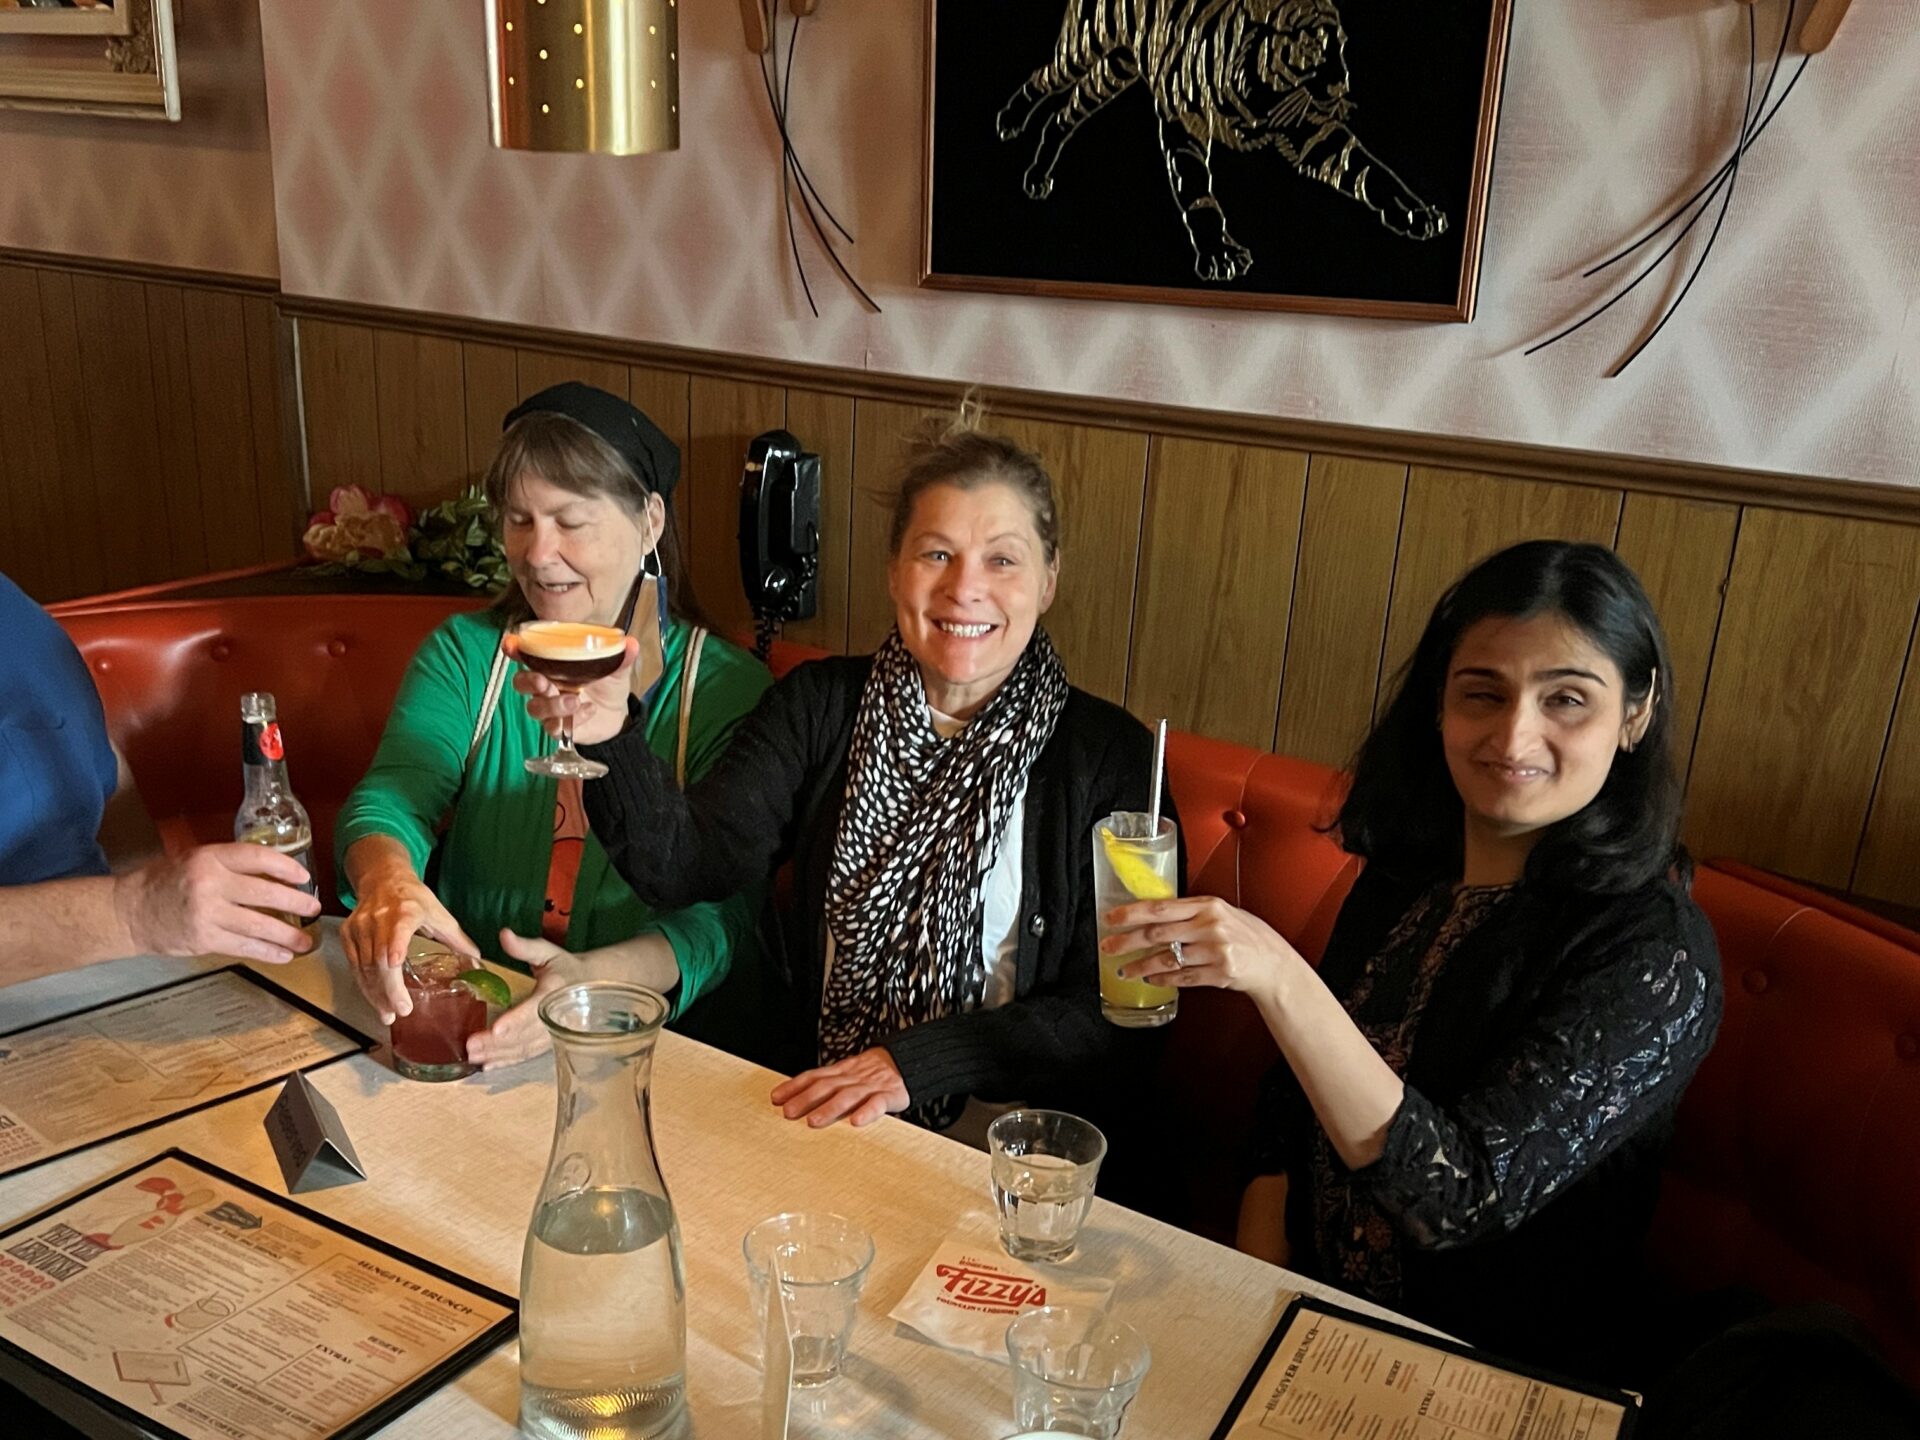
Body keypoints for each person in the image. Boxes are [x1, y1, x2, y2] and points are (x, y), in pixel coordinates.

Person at [1104, 540, 1722, 1377]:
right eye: (1483, 693)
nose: (1515, 734)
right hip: (1304, 1325)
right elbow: (1292, 1101)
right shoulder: (1409, 875)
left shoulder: (1654, 952)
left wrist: (1278, 974)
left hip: (1491, 1376)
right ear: (1439, 705)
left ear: (1635, 715)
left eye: (1567, 700)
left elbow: (1461, 1197)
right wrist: (1253, 1289)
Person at [516, 408, 1179, 1136]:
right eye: (936, 554)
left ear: (1048, 580)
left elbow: (1123, 1010)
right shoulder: (820, 706)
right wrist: (611, 734)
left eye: (1003, 559)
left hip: (1028, 1158)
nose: (966, 588)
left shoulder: (1114, 760)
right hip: (824, 1118)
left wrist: (914, 1064)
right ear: (895, 571)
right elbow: (686, 866)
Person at [337, 383, 771, 1066]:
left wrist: (594, 985)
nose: (538, 554)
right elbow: (395, 794)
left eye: (570, 522)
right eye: (519, 520)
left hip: (655, 1044)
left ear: (650, 522)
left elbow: (726, 918)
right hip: (480, 1012)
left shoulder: (718, 689)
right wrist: (388, 881)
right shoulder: (468, 655)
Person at [0, 570, 320, 986]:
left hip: (112, 977)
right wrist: (133, 914)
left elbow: (103, 770)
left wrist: (164, 929)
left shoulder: (17, 611)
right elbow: (135, 911)